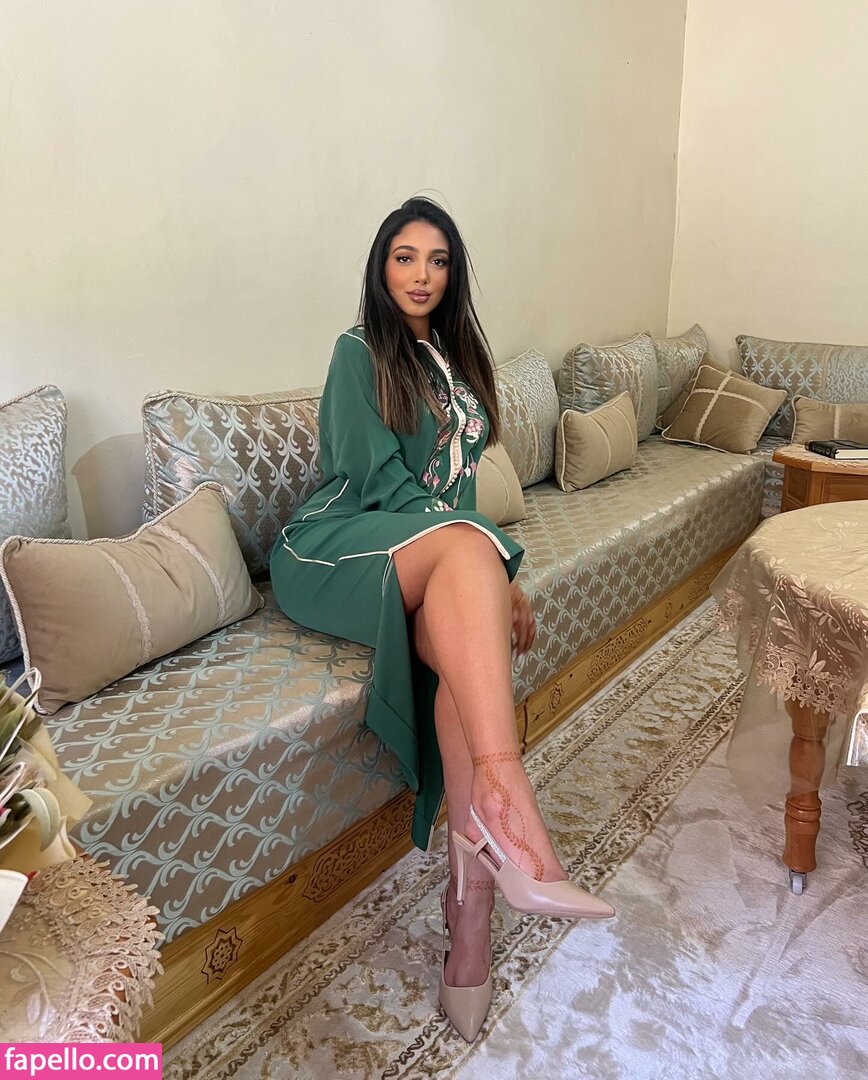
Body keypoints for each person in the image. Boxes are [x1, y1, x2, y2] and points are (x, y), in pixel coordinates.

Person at [270, 196, 614, 1042]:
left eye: (438, 260)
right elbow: (379, 483)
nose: (421, 275)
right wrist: (481, 552)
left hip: (427, 554)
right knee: (471, 565)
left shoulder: (457, 361)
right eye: (404, 257)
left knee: (469, 658)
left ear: (453, 274)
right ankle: (510, 804)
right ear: (380, 268)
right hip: (336, 546)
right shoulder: (358, 350)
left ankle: (470, 929)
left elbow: (455, 494)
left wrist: (486, 570)